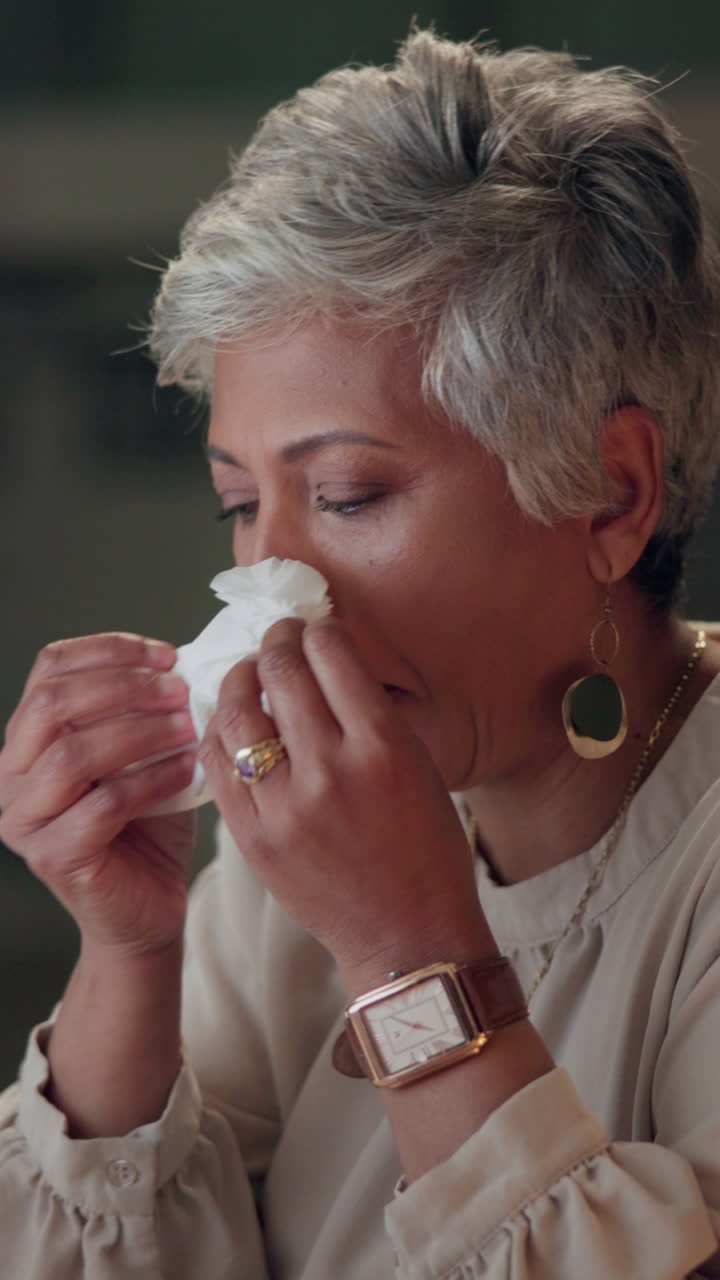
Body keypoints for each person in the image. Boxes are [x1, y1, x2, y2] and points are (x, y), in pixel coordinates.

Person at [1, 27, 720, 1279]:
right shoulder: (284, 862)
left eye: (342, 495)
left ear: (609, 498)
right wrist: (130, 948)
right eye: (241, 502)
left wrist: (405, 950)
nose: (269, 598)